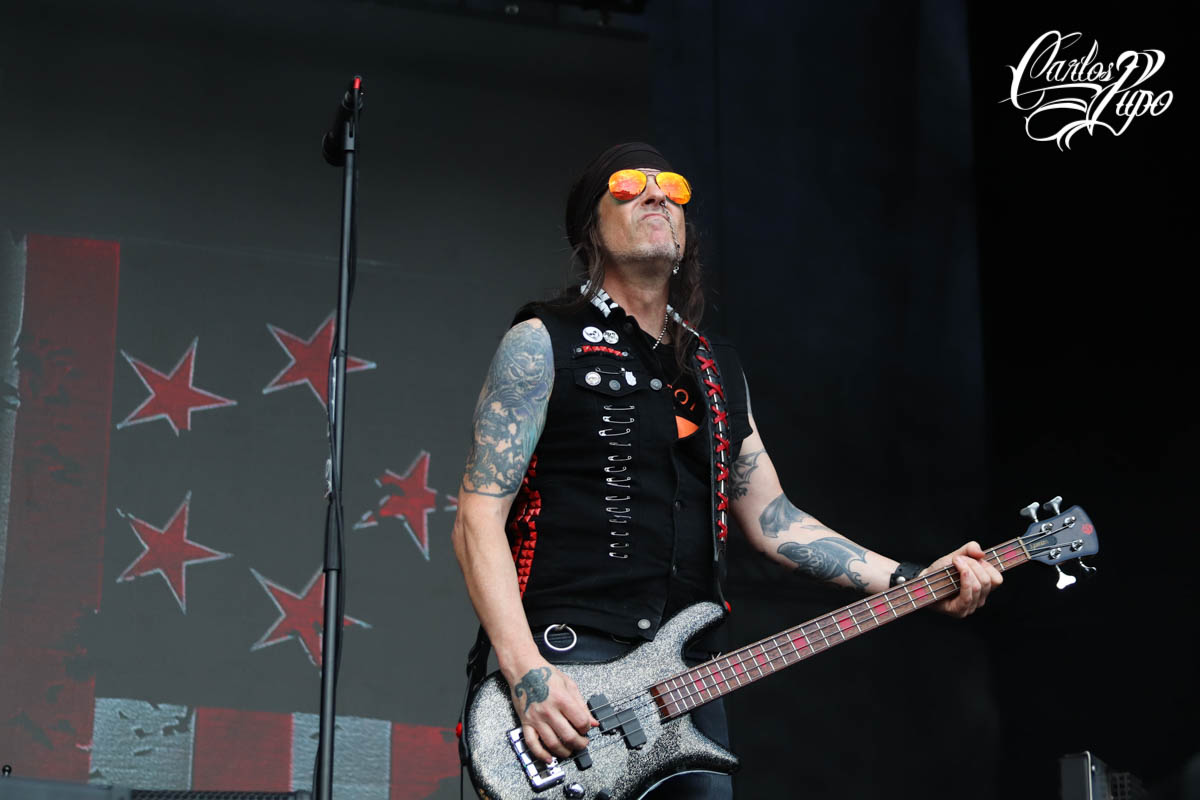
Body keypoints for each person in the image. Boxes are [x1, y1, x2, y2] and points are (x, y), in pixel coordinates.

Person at [451, 142, 1002, 799]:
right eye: (628, 186)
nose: (657, 194)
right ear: (590, 227)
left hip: (687, 682)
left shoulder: (714, 369)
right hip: (572, 660)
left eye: (673, 188)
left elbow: (775, 520)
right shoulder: (544, 341)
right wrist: (527, 673)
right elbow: (476, 518)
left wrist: (913, 578)